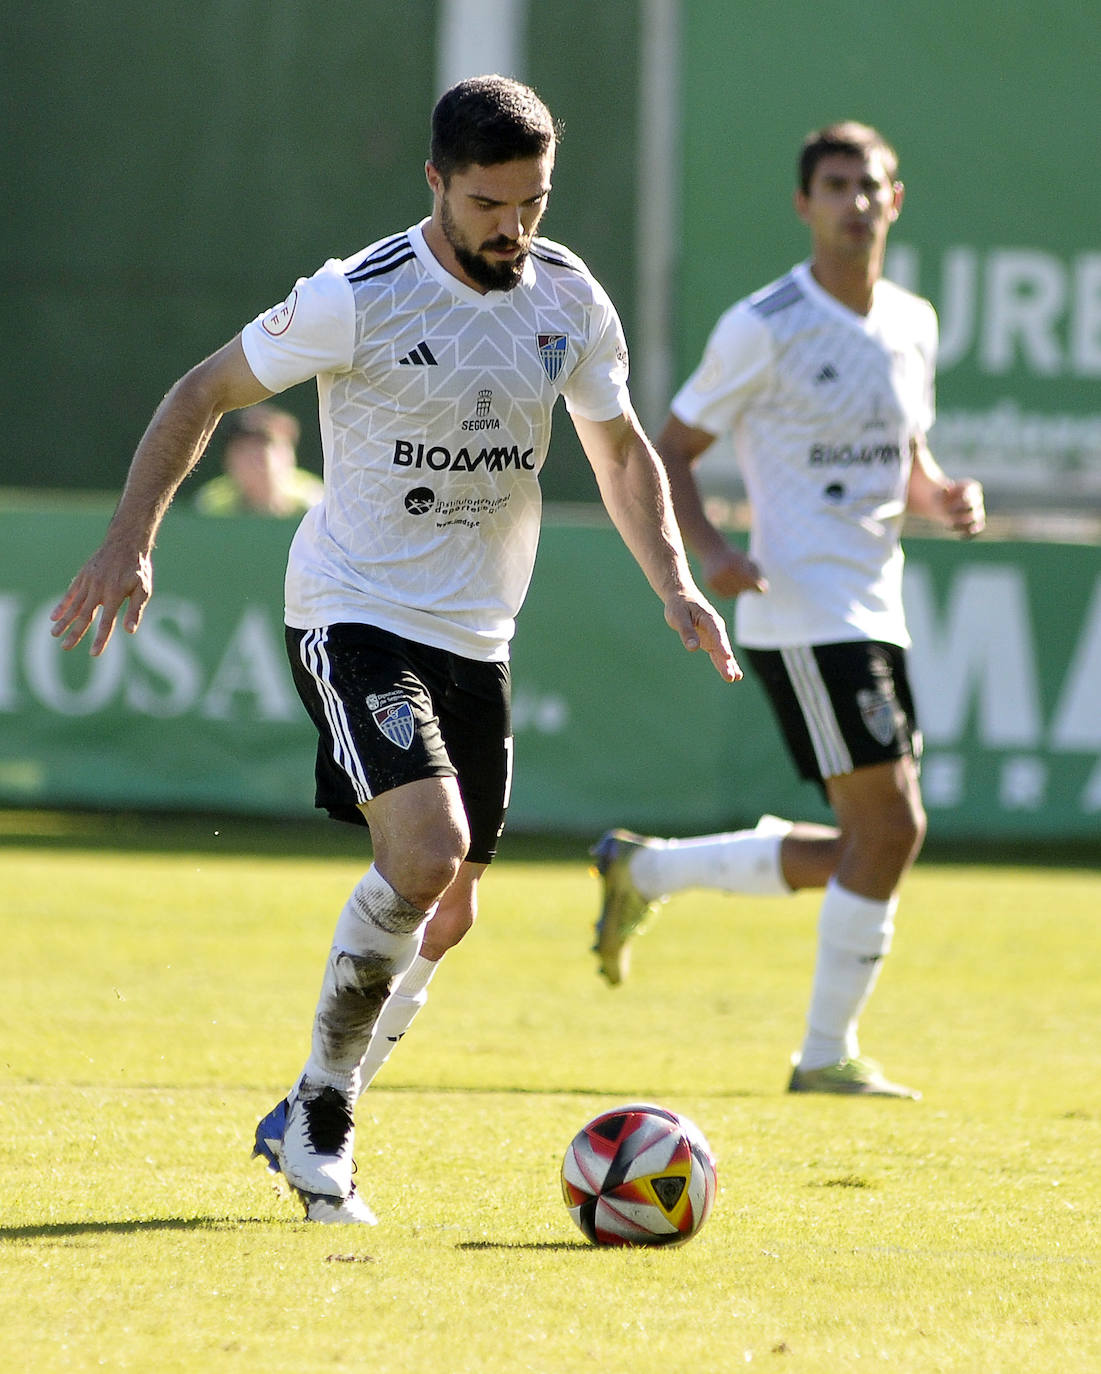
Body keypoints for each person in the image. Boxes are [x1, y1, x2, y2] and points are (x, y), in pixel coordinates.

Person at [51, 75, 739, 1224]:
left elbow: (621, 455)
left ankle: (308, 1102)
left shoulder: (567, 295)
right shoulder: (355, 296)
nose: (514, 228)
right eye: (488, 203)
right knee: (427, 850)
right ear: (435, 182)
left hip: (480, 634)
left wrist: (674, 582)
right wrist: (130, 541)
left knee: (450, 907)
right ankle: (324, 1123)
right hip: (355, 611)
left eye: (534, 201)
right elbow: (200, 392)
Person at [591, 121, 985, 1100]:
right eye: (836, 185)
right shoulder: (764, 323)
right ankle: (823, 1057)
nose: (856, 201)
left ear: (898, 201)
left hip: (875, 603)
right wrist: (711, 553)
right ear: (803, 204)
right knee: (892, 830)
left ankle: (649, 872)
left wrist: (942, 497)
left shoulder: (914, 321)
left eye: (872, 186)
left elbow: (910, 455)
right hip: (804, 608)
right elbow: (670, 447)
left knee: (868, 841)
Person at [193, 403, 322, 517]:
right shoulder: (210, 505)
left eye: (264, 445)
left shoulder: (316, 502)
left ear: (289, 453)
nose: (254, 458)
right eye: (243, 449)